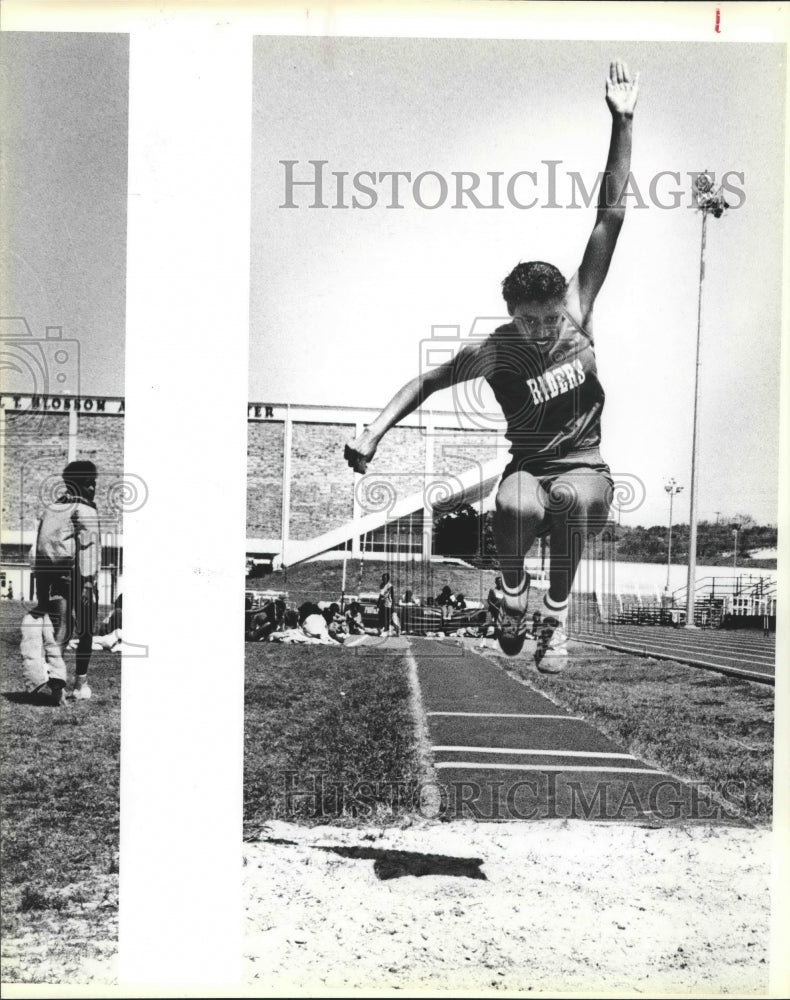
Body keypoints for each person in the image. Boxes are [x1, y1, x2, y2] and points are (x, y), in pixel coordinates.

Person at [344, 62, 639, 672]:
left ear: (563, 305)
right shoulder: (495, 351)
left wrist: (624, 121)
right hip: (528, 467)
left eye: (547, 319)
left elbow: (608, 216)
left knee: (567, 499)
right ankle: (510, 596)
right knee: (517, 506)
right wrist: (375, 430)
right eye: (526, 320)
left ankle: (555, 620)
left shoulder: (579, 313)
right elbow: (425, 382)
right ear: (510, 314)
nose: (539, 330)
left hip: (586, 470)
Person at [21, 460, 101, 704]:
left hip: (52, 576)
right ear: (76, 485)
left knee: (61, 631)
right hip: (78, 575)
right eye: (89, 484)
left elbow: (40, 547)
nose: (93, 488)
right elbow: (89, 546)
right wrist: (88, 582)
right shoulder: (85, 509)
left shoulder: (53, 508)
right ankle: (80, 683)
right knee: (86, 629)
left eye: (93, 484)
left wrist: (42, 585)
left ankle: (57, 683)